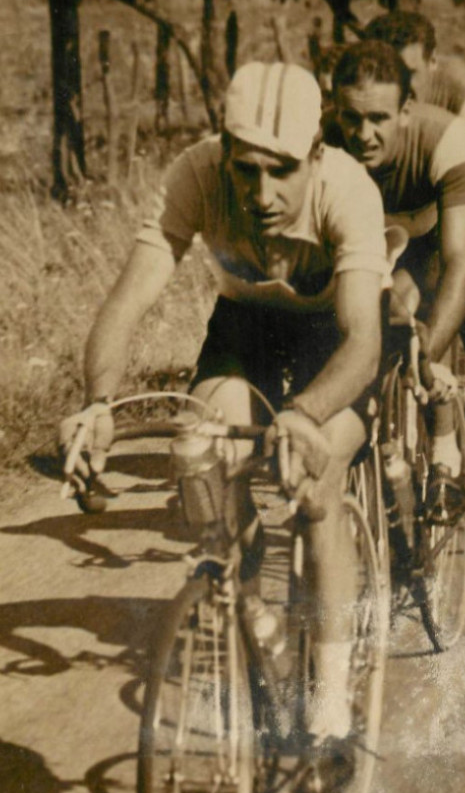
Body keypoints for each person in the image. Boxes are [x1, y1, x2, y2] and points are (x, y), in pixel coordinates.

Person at [59, 61, 388, 748]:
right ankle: (249, 612)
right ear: (223, 152)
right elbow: (126, 302)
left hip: (334, 342)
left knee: (317, 483)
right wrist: (97, 407)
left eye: (283, 170)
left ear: (317, 156)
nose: (262, 192)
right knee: (196, 451)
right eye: (246, 170)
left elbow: (362, 341)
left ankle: (330, 704)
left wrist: (305, 414)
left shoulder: (348, 189)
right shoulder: (195, 174)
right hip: (247, 329)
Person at [331, 40, 465, 519]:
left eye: (379, 118)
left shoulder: (446, 137)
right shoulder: (322, 143)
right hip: (368, 239)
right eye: (352, 118)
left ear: (407, 110)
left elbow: (460, 260)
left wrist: (426, 353)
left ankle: (444, 450)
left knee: (413, 321)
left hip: (433, 240)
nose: (364, 134)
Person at [363, 10, 465, 432]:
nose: (398, 86)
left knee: (448, 283)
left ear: (432, 64)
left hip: (459, 194)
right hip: (397, 215)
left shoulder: (464, 92)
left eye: (408, 72)